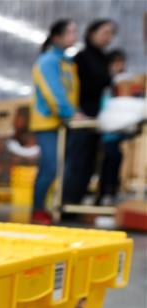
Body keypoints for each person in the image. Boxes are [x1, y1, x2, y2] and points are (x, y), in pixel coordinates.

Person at [30, 19, 79, 225]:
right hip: (47, 123)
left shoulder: (67, 63)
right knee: (50, 166)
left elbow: (70, 93)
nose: (75, 36)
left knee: (60, 169)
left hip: (61, 123)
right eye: (70, 32)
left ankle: (49, 208)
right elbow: (53, 92)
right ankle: (37, 209)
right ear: (57, 37)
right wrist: (69, 113)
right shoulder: (48, 61)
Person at [64, 19, 116, 206]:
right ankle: (67, 202)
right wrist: (74, 111)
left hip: (96, 118)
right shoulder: (81, 58)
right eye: (105, 32)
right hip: (80, 117)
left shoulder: (104, 59)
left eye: (111, 34)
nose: (108, 37)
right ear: (91, 33)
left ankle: (77, 202)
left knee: (90, 162)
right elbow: (71, 89)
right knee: (77, 161)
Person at [98, 49, 126, 205]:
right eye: (116, 63)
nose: (119, 66)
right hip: (105, 131)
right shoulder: (106, 84)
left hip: (117, 132)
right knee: (108, 159)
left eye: (121, 63)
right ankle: (105, 193)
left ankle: (111, 191)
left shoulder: (122, 83)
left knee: (115, 158)